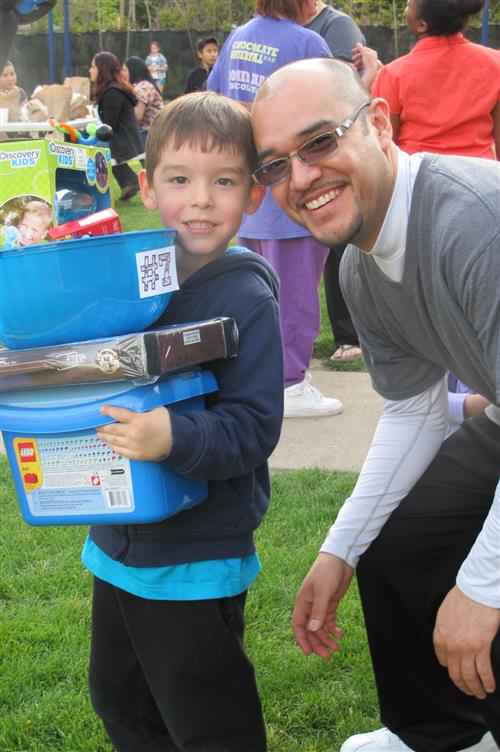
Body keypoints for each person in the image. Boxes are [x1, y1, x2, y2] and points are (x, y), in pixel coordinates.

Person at [251, 57, 500, 752]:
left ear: (380, 125)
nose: (300, 178)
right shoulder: (360, 264)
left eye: (320, 141)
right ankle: (440, 736)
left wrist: (483, 589)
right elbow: (416, 412)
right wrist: (340, 551)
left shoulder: (475, 222)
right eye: (275, 165)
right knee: (397, 544)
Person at [82, 90, 284, 752]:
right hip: (118, 539)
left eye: (223, 181)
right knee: (121, 699)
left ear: (253, 194)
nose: (200, 199)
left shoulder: (246, 298)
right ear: (146, 184)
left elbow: (255, 427)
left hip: (196, 554)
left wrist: (176, 436)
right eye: (179, 179)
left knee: (208, 720)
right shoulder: (136, 277)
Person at [208, 0, 344, 419]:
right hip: (295, 188)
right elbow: (335, 107)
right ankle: (291, 385)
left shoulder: (238, 36)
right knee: (297, 295)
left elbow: (214, 97)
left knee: (255, 294)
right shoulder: (307, 42)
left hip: (251, 188)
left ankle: (258, 377)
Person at [306, 0, 366, 362]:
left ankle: (354, 336)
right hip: (299, 152)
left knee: (342, 242)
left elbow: (344, 93)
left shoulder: (337, 26)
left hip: (335, 149)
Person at [371, 0, 500, 159]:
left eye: (408, 5)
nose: (405, 9)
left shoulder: (393, 74)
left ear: (422, 25)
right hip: (478, 176)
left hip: (418, 177)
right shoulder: (495, 64)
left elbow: (385, 145)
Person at [89, 51, 143, 201]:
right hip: (125, 138)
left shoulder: (112, 92)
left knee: (93, 149)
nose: (90, 70)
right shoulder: (113, 89)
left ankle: (129, 182)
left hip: (122, 141)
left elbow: (108, 125)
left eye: (93, 67)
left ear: (102, 69)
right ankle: (128, 183)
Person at [123, 56, 164, 148]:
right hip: (150, 132)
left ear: (133, 71)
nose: (122, 74)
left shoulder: (142, 87)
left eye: (124, 70)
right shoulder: (141, 85)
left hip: (150, 134)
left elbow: (137, 116)